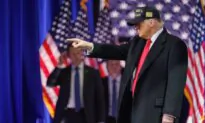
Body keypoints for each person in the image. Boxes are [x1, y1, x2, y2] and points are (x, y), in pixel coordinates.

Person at [66, 6, 188, 123]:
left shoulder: (174, 45)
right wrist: (89, 46)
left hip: (155, 114)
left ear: (151, 22)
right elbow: (116, 51)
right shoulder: (137, 42)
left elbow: (175, 84)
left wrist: (169, 116)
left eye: (138, 23)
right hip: (131, 111)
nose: (135, 27)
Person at [47, 46, 105, 123]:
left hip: (86, 115)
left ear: (83, 54)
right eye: (73, 54)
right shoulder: (64, 72)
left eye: (78, 53)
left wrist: (101, 120)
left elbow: (100, 98)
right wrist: (59, 65)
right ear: (68, 56)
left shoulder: (93, 73)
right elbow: (50, 83)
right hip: (67, 115)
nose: (76, 56)